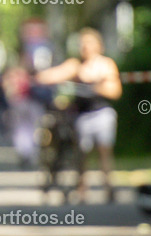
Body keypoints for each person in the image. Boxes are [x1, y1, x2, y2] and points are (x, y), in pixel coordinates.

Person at [35, 28, 122, 203]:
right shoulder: (76, 65)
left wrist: (94, 85)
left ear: (98, 45)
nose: (85, 47)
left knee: (104, 151)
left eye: (89, 43)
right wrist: (33, 77)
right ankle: (82, 189)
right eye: (82, 44)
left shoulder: (106, 65)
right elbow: (54, 75)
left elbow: (115, 91)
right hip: (82, 115)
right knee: (81, 153)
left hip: (101, 113)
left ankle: (108, 187)